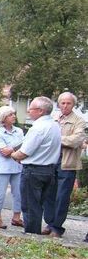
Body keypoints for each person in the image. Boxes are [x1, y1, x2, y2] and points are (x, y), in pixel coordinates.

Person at [11, 97, 61, 235]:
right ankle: (35, 234)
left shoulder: (38, 128)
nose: (28, 110)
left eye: (31, 108)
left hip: (34, 171)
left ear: (40, 111)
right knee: (39, 205)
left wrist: (12, 154)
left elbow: (23, 153)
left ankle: (32, 236)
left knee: (30, 206)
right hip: (49, 170)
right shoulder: (55, 125)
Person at [42, 92, 86, 237]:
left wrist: (56, 138)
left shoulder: (79, 121)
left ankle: (57, 227)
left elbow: (76, 140)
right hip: (50, 161)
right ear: (58, 104)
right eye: (62, 103)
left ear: (73, 105)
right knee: (48, 194)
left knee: (62, 197)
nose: (65, 106)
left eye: (68, 103)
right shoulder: (53, 119)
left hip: (67, 164)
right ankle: (49, 222)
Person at [0, 106, 24, 229]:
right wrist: (17, 146)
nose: (14, 116)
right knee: (0, 193)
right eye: (10, 115)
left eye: (14, 114)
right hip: (2, 167)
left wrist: (11, 148)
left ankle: (16, 217)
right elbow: (4, 152)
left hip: (17, 166)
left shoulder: (19, 131)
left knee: (19, 193)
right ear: (3, 117)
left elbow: (24, 148)